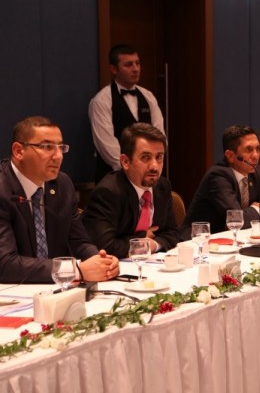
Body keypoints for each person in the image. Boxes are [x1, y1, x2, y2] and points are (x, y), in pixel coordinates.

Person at [0, 116, 120, 283]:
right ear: (19, 151)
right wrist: (75, 270)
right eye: (47, 147)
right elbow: (5, 264)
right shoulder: (3, 188)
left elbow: (78, 241)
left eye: (60, 147)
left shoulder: (62, 184)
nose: (58, 156)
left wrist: (101, 262)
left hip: (55, 289)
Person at [82, 123, 178, 259]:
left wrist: (153, 245)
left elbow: (173, 233)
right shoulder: (108, 192)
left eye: (159, 157)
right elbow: (104, 246)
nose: (155, 166)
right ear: (125, 162)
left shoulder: (162, 186)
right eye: (145, 157)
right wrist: (142, 238)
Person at [182, 125, 260, 235]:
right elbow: (236, 220)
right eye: (249, 149)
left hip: (232, 238)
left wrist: (252, 218)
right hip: (200, 240)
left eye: (257, 149)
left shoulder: (255, 172)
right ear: (230, 156)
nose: (256, 155)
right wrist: (257, 209)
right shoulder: (218, 176)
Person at [89, 44, 165, 182]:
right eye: (128, 65)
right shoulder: (102, 100)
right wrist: (131, 172)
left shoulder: (148, 97)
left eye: (137, 63)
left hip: (147, 176)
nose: (135, 69)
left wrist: (151, 166)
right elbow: (106, 145)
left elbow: (160, 137)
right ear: (113, 69)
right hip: (113, 178)